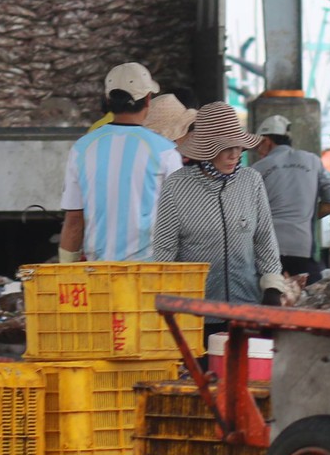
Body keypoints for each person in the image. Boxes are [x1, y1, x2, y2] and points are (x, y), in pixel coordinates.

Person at [152, 103, 291, 308]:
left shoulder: (251, 181)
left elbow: (264, 239)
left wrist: (272, 287)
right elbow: (164, 249)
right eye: (225, 148)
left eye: (238, 146)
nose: (234, 154)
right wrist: (162, 296)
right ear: (206, 149)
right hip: (196, 310)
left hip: (246, 305)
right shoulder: (177, 185)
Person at [59, 63, 182, 263]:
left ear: (108, 100)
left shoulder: (82, 148)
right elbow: (180, 221)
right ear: (148, 100)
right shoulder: (165, 151)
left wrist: (65, 271)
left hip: (99, 273)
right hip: (151, 274)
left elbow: (74, 221)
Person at [252, 114, 330, 281]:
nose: (257, 150)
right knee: (310, 300)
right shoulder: (313, 161)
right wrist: (304, 217)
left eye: (258, 144)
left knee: (270, 300)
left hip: (267, 250)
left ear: (266, 141)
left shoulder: (257, 169)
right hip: (303, 248)